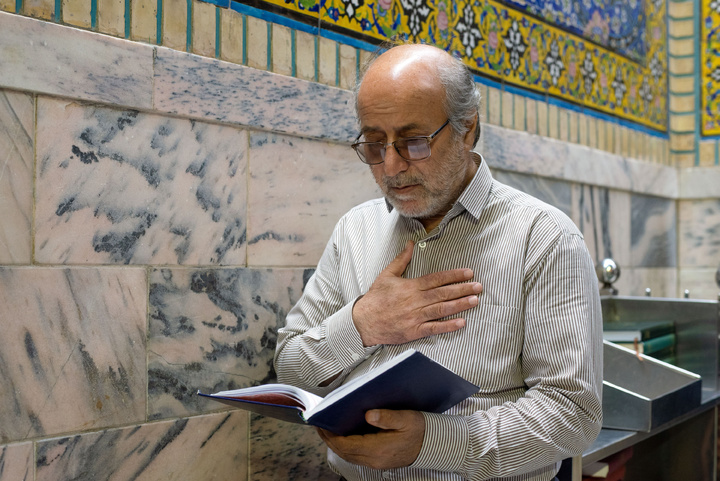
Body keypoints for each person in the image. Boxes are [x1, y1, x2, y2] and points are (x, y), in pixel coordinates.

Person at [274, 43, 602, 481]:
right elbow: (292, 366)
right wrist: (362, 324)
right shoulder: (355, 231)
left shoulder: (543, 237)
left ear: (468, 128)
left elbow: (573, 412)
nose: (391, 167)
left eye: (413, 142)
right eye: (373, 144)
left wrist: (433, 442)